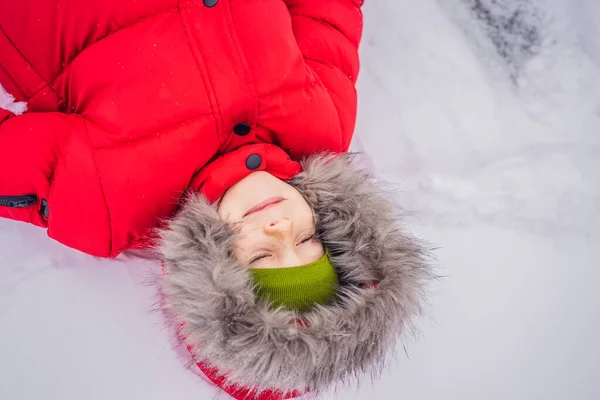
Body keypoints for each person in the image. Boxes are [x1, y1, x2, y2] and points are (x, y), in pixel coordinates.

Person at [0, 0, 431, 399]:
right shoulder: (321, 125)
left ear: (213, 273)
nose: (280, 230)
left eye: (262, 256)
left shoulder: (108, 200)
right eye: (307, 243)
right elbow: (327, 12)